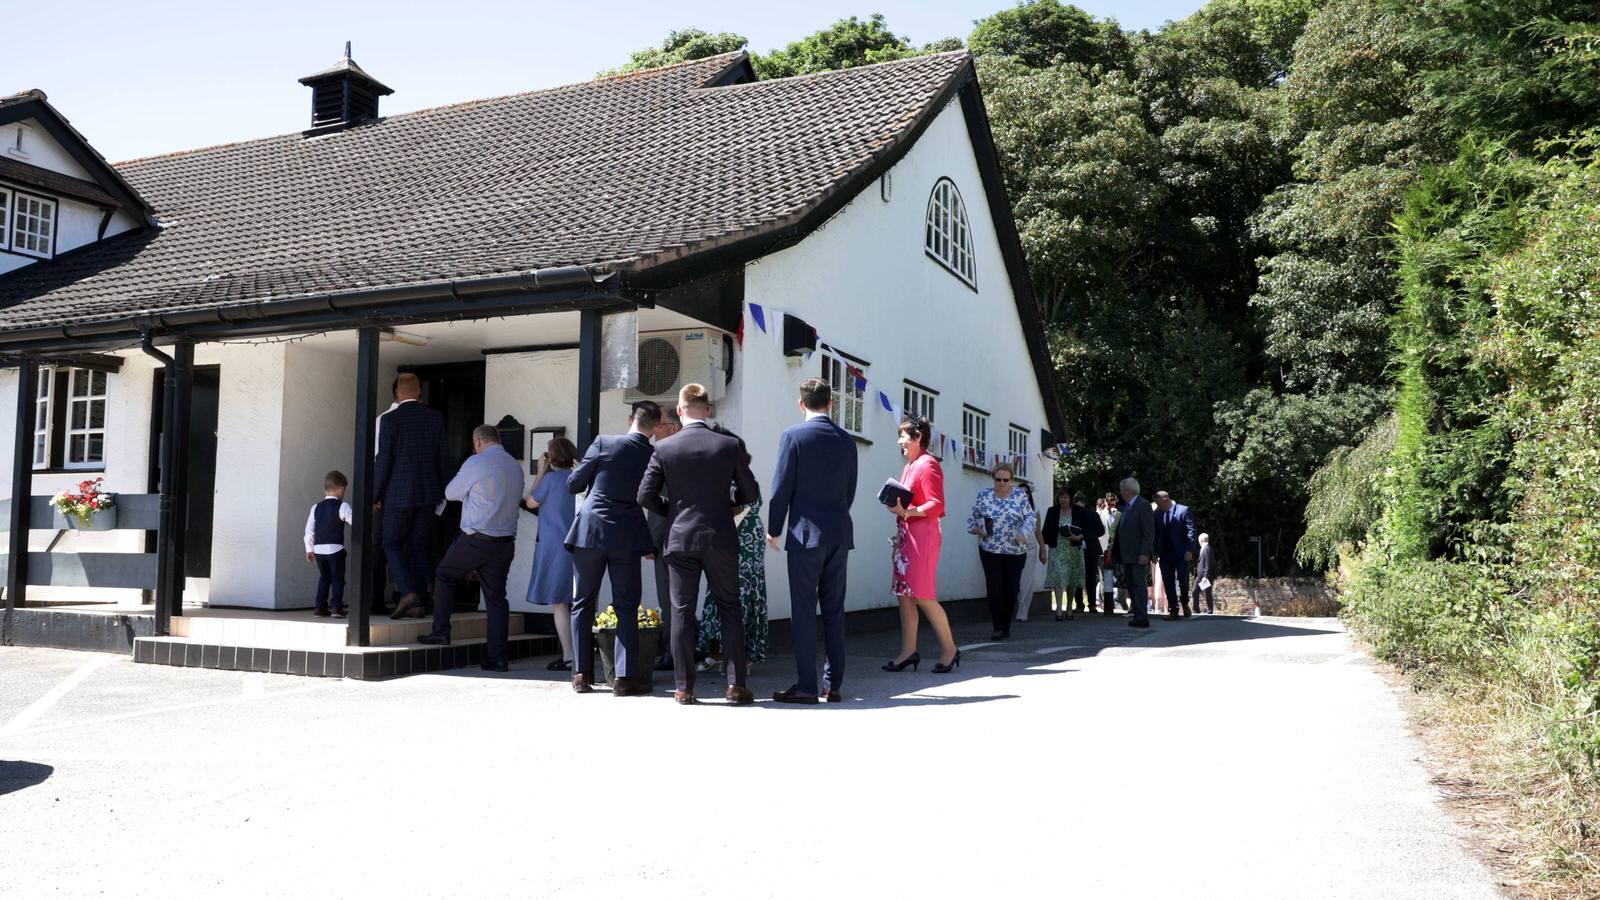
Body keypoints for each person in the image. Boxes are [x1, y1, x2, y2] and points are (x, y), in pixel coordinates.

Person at [638, 384, 759, 706]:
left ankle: (683, 688)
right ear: (707, 410)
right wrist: (725, 502)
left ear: (679, 411)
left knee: (681, 612)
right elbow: (749, 494)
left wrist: (674, 511)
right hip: (719, 535)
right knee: (730, 609)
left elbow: (645, 496)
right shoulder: (729, 445)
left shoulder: (664, 448)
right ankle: (735, 685)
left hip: (680, 537)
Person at [766, 377, 858, 705]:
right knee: (834, 610)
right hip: (838, 531)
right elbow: (850, 490)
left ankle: (806, 684)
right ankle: (833, 685)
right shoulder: (847, 440)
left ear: (801, 404)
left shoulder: (793, 436)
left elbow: (781, 488)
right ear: (830, 404)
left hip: (805, 534)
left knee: (804, 611)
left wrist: (773, 527)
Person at [565, 402, 660, 696]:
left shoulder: (604, 443)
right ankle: (623, 678)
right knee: (627, 606)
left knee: (582, 602)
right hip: (627, 537)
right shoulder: (654, 454)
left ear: (630, 419)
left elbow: (573, 485)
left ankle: (581, 674)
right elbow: (653, 498)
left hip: (590, 533)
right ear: (654, 429)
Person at [415, 425, 524, 671]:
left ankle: (441, 632)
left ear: (477, 441)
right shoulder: (514, 466)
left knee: (444, 575)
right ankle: (498, 657)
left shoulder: (476, 462)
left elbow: (451, 493)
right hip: (505, 542)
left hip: (476, 539)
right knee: (496, 599)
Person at [884, 415, 959, 673]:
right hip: (907, 536)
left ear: (918, 437)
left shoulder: (928, 465)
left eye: (903, 436)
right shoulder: (909, 466)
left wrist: (906, 513)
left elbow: (937, 505)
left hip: (923, 537)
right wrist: (900, 515)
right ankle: (908, 652)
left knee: (923, 596)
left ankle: (950, 649)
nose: (899, 442)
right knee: (904, 596)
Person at [696, 426, 770, 677]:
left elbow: (736, 506)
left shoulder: (737, 473)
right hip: (733, 536)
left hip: (744, 538)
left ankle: (741, 654)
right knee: (721, 591)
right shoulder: (727, 471)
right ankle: (718, 652)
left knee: (742, 593)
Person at [375, 372, 450, 620]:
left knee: (391, 542)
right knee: (419, 546)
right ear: (420, 392)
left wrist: (375, 494)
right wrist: (444, 491)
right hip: (428, 494)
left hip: (397, 494)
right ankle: (419, 602)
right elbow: (442, 458)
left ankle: (408, 594)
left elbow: (384, 460)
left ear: (397, 393)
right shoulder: (435, 418)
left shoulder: (390, 420)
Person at [522, 436, 579, 671]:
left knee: (559, 602)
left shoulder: (551, 480)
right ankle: (577, 654)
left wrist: (540, 473)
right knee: (579, 601)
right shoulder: (580, 479)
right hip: (579, 545)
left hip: (555, 546)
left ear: (550, 457)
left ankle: (569, 656)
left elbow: (530, 502)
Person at [967, 461, 1037, 641]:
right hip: (989, 549)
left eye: (1006, 480)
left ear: (1011, 480)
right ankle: (997, 627)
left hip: (1015, 551)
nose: (1002, 483)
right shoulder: (984, 496)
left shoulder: (1020, 496)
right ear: (993, 479)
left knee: (1011, 589)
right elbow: (972, 519)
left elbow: (1031, 518)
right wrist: (978, 529)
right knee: (994, 588)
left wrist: (1024, 532)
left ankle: (1006, 625)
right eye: (998, 479)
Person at [647, 409, 683, 672]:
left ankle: (673, 654)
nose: (654, 430)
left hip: (669, 539)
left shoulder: (665, 454)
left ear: (672, 426)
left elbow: (659, 504)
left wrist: (650, 542)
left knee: (670, 598)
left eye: (658, 425)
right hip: (695, 537)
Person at [1043, 485, 1104, 621]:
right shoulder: (1052, 511)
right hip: (1057, 549)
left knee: (1071, 579)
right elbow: (1045, 531)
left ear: (1070, 498)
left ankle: (1070, 606)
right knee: (1059, 577)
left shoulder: (1078, 511)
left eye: (1065, 497)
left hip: (1074, 550)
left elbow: (1092, 529)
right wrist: (1044, 546)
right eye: (1060, 497)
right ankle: (1059, 608)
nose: (1063, 500)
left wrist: (1080, 536)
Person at [303, 470, 353, 618]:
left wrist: (309, 549)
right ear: (341, 489)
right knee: (337, 578)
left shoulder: (315, 507)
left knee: (324, 578)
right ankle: (337, 607)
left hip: (318, 550)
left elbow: (309, 531)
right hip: (336, 549)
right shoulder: (342, 506)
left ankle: (320, 607)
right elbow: (355, 521)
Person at [1114, 477, 1155, 628]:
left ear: (1129, 490)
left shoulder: (1143, 505)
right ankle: (1137, 614)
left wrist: (1145, 553)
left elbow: (1148, 532)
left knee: (1138, 584)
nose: (1121, 492)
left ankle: (1142, 616)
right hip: (1127, 555)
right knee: (1131, 585)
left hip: (1138, 555)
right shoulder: (1127, 506)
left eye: (1122, 489)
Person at [1154, 491, 1198, 619]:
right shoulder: (1157, 514)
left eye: (1158, 503)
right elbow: (1155, 535)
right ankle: (1173, 609)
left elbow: (1191, 531)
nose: (1157, 506)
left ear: (1166, 499)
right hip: (1165, 553)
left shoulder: (1183, 510)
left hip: (1181, 553)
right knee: (1168, 581)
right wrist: (1154, 552)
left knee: (1183, 579)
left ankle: (1185, 603)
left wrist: (1189, 549)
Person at [1014, 482, 1046, 622]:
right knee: (1014, 580)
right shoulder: (1011, 508)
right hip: (1013, 548)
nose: (1024, 495)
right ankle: (1012, 608)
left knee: (1026, 580)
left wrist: (1043, 550)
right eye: (1020, 492)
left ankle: (1022, 611)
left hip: (1030, 547)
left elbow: (1038, 532)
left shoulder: (1035, 510)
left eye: (1026, 492)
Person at [1195, 533, 1215, 614]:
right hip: (1199, 576)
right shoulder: (1203, 548)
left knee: (1207, 593)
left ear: (1201, 540)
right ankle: (1196, 609)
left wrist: (1206, 576)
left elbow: (1208, 563)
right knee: (1194, 591)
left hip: (1204, 576)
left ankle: (1210, 610)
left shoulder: (1207, 549)